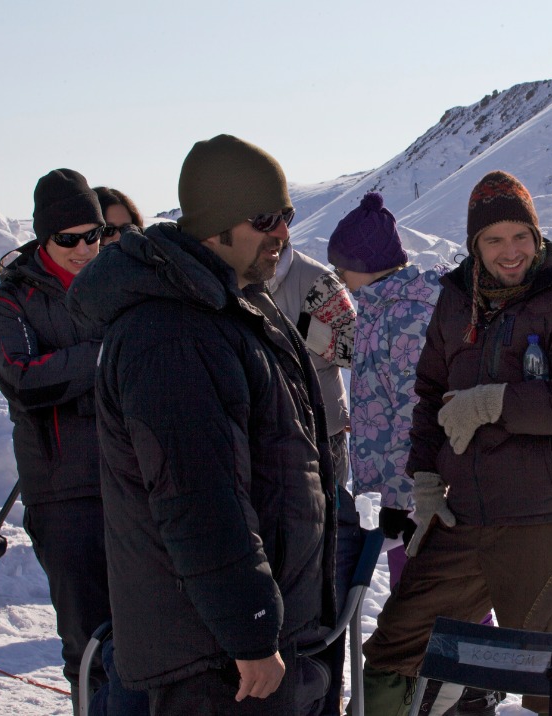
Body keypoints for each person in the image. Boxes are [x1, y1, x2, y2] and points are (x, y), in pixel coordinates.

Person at [66, 134, 337, 715]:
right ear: (215, 227)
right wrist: (251, 629)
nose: (282, 233)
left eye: (285, 215)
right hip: (215, 662)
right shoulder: (170, 336)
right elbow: (199, 501)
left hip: (257, 644)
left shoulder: (235, 304)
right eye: (264, 219)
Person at [358, 170, 552, 716]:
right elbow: (429, 393)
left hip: (544, 517)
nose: (510, 251)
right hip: (465, 513)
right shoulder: (455, 300)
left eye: (520, 236)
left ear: (538, 236)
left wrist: (495, 401)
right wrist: (426, 482)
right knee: (396, 646)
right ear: (475, 244)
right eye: (494, 239)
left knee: (551, 672)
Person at [0, 169, 111, 714]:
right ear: (43, 238)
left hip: (133, 479)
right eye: (68, 238)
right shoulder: (8, 300)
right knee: (87, 639)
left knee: (149, 631)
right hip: (63, 490)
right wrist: (105, 356)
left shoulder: (120, 281)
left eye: (94, 234)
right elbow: (22, 378)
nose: (84, 248)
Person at [240, 194, 356, 716]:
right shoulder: (234, 277)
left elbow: (356, 346)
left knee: (315, 552)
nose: (277, 234)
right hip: (259, 436)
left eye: (282, 222)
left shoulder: (314, 280)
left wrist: (307, 334)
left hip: (320, 431)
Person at [326, 191, 446, 588]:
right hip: (409, 489)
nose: (339, 275)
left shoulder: (406, 313)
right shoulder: (379, 307)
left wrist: (400, 499)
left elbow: (413, 411)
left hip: (420, 492)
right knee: (412, 596)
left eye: (343, 266)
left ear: (367, 262)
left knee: (431, 599)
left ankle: (465, 650)